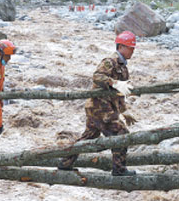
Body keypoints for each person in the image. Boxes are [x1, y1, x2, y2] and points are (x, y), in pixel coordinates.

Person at [58, 31, 138, 176]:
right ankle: (119, 170)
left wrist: (124, 111)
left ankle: (65, 163)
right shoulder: (110, 61)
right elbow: (97, 77)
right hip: (101, 108)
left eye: (133, 48)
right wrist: (114, 82)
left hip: (99, 108)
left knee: (88, 137)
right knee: (121, 134)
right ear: (120, 47)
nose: (132, 51)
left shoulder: (123, 69)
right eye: (130, 48)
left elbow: (120, 92)